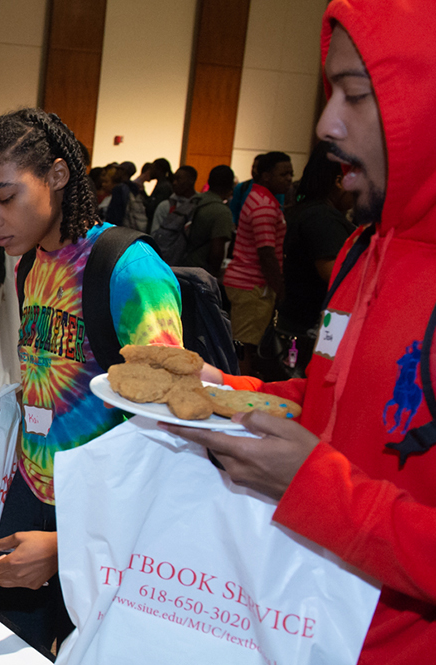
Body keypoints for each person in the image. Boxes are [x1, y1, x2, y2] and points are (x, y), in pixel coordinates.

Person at [170, 3, 436, 660]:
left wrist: (308, 486)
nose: (325, 123)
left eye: (356, 94)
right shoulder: (362, 249)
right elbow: (332, 400)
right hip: (300, 624)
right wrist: (221, 388)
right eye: (328, 91)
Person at [0, 108, 183, 653]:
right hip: (32, 489)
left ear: (58, 176)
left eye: (5, 198)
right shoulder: (30, 261)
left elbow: (171, 434)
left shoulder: (129, 269)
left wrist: (66, 545)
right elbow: (52, 376)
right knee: (7, 644)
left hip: (104, 517)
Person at [223, 151, 294, 375]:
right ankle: (240, 392)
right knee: (244, 346)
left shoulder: (261, 198)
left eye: (290, 174)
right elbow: (266, 253)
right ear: (265, 176)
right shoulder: (263, 205)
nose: (289, 179)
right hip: (252, 286)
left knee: (246, 345)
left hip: (248, 283)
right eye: (283, 174)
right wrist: (280, 290)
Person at [280, 141, 355, 352]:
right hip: (314, 327)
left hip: (308, 324)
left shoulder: (309, 211)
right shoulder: (322, 217)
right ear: (339, 181)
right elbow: (335, 275)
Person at [181, 164, 236, 276]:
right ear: (230, 186)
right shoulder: (222, 212)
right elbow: (217, 252)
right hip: (199, 272)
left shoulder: (195, 200)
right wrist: (214, 275)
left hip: (179, 262)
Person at [150, 164, 199, 264]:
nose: (174, 183)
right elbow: (154, 236)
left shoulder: (199, 205)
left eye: (179, 179)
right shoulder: (165, 206)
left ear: (191, 180)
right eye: (174, 179)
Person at [104, 161, 148, 232]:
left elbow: (116, 214)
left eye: (119, 170)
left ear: (123, 172)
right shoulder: (135, 188)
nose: (116, 172)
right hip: (131, 229)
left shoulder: (119, 189)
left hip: (119, 229)